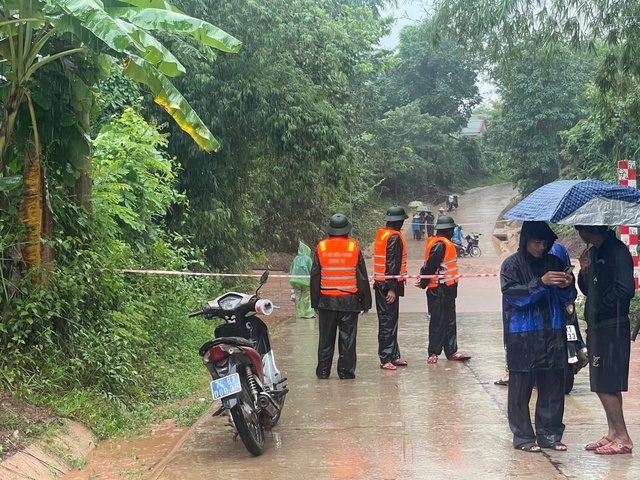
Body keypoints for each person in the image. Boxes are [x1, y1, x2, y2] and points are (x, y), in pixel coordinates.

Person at [500, 221, 577, 453]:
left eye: (544, 242)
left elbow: (569, 297)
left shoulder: (555, 262)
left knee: (553, 385)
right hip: (522, 334)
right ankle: (523, 437)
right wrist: (541, 283)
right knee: (520, 388)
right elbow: (515, 297)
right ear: (525, 241)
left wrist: (567, 285)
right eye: (536, 242)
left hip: (553, 331)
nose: (541, 247)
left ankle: (550, 435)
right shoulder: (511, 265)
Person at [576, 225, 635, 455]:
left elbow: (625, 290)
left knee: (604, 383)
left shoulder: (617, 251)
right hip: (597, 325)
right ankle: (613, 432)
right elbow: (588, 290)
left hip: (612, 325)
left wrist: (600, 308)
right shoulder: (594, 253)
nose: (579, 233)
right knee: (603, 381)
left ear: (588, 229)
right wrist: (584, 271)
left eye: (580, 228)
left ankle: (623, 438)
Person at [310, 213, 372, 380]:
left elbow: (315, 276)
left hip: (326, 301)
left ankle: (323, 373)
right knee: (348, 341)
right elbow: (362, 277)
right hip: (349, 301)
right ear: (346, 231)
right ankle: (346, 373)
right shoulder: (354, 247)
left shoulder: (321, 247)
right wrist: (365, 302)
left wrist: (315, 303)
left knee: (325, 340)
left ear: (330, 230)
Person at [418, 214, 471, 364]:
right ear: (447, 230)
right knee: (437, 321)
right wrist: (423, 282)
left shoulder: (446, 244)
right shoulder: (440, 245)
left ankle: (451, 351)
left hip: (448, 290)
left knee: (450, 321)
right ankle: (433, 352)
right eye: (451, 230)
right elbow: (430, 266)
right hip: (438, 290)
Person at [373, 206, 409, 371]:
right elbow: (392, 265)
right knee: (387, 322)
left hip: (382, 283)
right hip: (387, 285)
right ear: (398, 221)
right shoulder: (394, 238)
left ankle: (394, 355)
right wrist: (392, 288)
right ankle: (386, 357)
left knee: (391, 320)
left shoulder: (383, 235)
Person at [289, 241, 315, 319]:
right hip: (306, 282)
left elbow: (291, 269)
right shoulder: (308, 259)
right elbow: (312, 270)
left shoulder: (296, 259)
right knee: (307, 297)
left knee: (298, 297)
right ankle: (307, 314)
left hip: (296, 281)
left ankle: (299, 314)